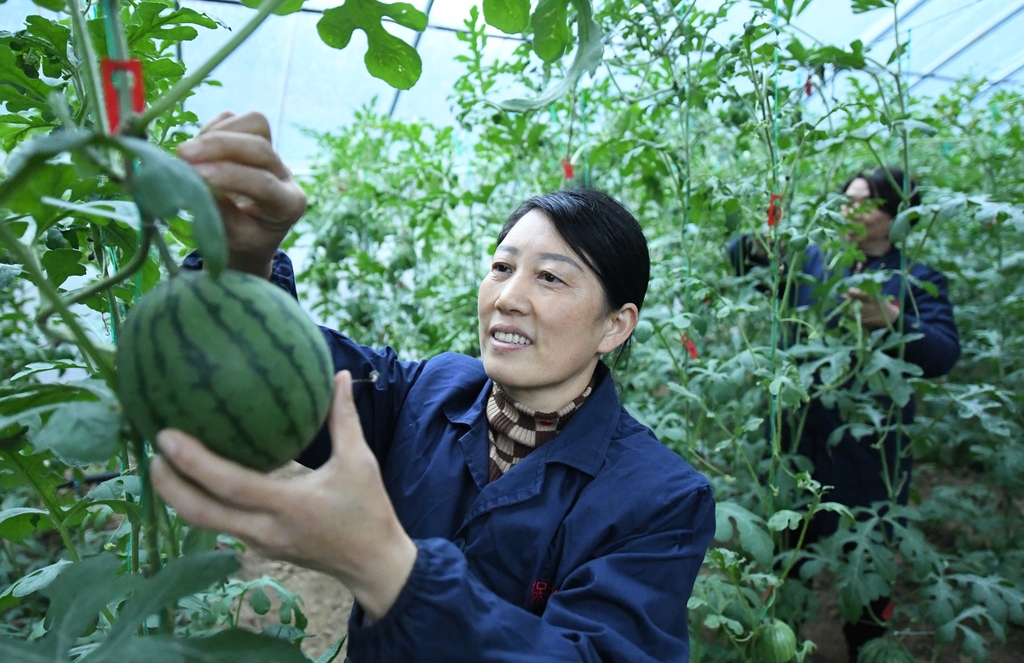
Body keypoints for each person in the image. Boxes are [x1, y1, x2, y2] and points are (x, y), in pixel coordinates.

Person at [150, 111, 716, 662]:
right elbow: (273, 376)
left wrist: (386, 566)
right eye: (501, 267)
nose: (508, 298)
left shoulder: (660, 500)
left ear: (615, 325)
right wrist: (246, 257)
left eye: (549, 277)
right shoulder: (427, 393)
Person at [729, 166, 960, 661]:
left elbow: (943, 353)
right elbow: (742, 262)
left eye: (866, 203)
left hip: (870, 448)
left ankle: (867, 646)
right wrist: (761, 237)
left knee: (867, 560)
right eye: (846, 199)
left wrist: (894, 320)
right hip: (797, 439)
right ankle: (780, 634)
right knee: (788, 554)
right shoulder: (814, 258)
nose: (849, 210)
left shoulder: (916, 276)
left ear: (898, 218)